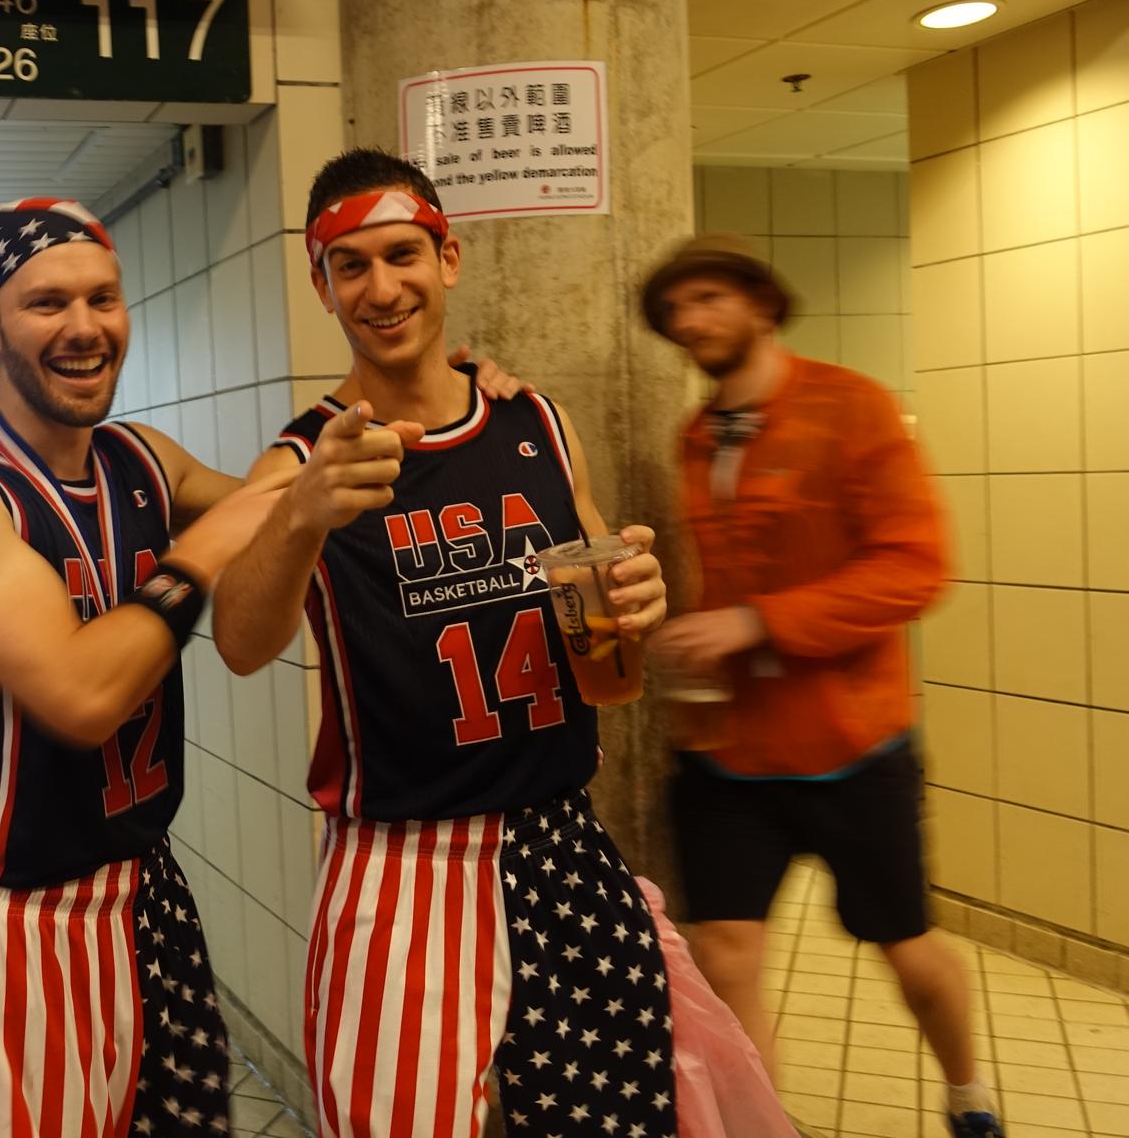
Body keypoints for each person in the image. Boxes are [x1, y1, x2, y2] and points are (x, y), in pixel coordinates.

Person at [211, 149, 677, 1138]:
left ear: (448, 257)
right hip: (402, 860)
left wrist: (639, 594)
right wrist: (297, 519)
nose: (382, 289)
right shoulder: (306, 456)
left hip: (558, 837)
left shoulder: (534, 419)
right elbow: (240, 643)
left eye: (402, 255)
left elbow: (601, 577)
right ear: (321, 284)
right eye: (352, 267)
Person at [0, 196, 323, 1135]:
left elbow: (282, 509)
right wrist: (199, 556)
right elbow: (80, 696)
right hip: (12, 914)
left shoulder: (142, 458)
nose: (84, 328)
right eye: (47, 305)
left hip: (145, 886)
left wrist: (405, 386)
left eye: (103, 299)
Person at [639, 235, 999, 1138]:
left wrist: (759, 623)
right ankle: (762, 1125)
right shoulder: (695, 435)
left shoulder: (853, 408)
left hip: (852, 745)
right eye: (677, 310)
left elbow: (917, 566)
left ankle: (968, 1094)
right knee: (726, 955)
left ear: (763, 304)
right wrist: (698, 638)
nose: (691, 321)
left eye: (710, 298)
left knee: (908, 953)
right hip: (727, 753)